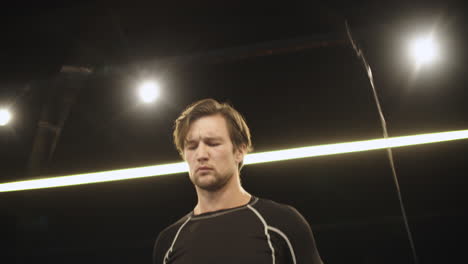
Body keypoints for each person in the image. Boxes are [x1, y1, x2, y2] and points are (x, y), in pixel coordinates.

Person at [153, 98, 324, 264]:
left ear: (239, 151)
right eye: (192, 146)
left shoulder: (282, 223)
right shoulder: (168, 242)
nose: (201, 155)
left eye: (213, 143)